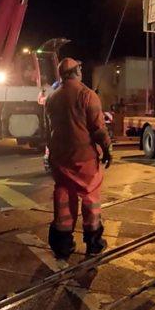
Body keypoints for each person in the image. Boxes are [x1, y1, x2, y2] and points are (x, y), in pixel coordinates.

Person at [46, 58, 113, 258]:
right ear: (76, 71)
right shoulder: (87, 95)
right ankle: (94, 242)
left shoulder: (52, 98)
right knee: (90, 196)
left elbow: (49, 129)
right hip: (84, 159)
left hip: (60, 158)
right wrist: (107, 149)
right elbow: (98, 129)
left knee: (63, 196)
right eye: (80, 68)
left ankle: (63, 244)